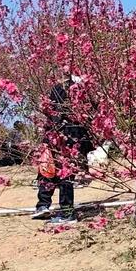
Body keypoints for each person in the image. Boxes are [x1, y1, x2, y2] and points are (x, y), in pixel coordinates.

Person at [34, 76, 94, 223]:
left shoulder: (59, 90)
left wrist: (47, 140)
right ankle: (48, 207)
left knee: (54, 172)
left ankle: (63, 212)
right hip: (72, 137)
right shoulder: (81, 91)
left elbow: (52, 114)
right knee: (60, 173)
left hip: (62, 136)